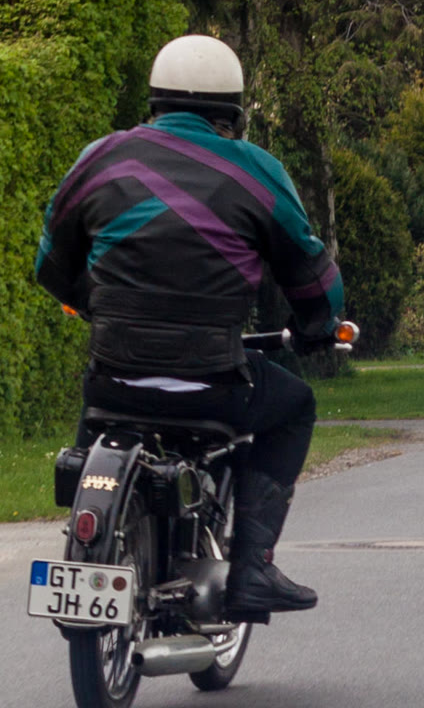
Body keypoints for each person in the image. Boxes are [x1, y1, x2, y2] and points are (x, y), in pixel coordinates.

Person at [36, 35, 346, 619]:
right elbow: (313, 277)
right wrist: (316, 326)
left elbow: (51, 265)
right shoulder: (256, 171)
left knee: (97, 412)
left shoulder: (100, 159)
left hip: (114, 381)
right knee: (294, 406)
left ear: (154, 101)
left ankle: (85, 534)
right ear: (233, 112)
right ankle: (253, 567)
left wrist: (99, 306)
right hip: (213, 383)